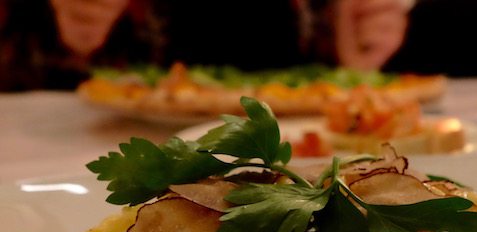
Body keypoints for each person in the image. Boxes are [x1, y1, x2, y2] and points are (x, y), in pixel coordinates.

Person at [0, 0, 411, 91]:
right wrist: (73, 40)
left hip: (298, 153)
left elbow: (349, 70)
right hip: (107, 143)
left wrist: (363, 48)